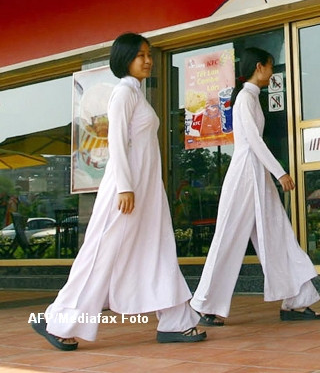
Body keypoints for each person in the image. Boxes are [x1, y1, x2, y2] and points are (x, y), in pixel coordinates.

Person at [32, 33, 205, 350]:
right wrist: (125, 187)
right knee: (101, 253)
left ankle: (176, 321)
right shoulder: (123, 93)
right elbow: (116, 143)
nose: (149, 60)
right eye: (141, 55)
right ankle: (59, 322)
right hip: (125, 190)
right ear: (125, 59)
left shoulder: (137, 94)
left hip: (146, 190)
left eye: (149, 54)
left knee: (158, 249)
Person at [191, 47, 320, 324]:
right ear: (259, 67)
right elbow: (253, 141)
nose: (272, 72)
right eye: (271, 66)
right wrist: (280, 173)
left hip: (256, 174)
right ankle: (205, 305)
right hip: (245, 176)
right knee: (227, 239)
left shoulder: (251, 98)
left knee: (277, 233)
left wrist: (271, 174)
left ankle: (296, 300)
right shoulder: (244, 100)